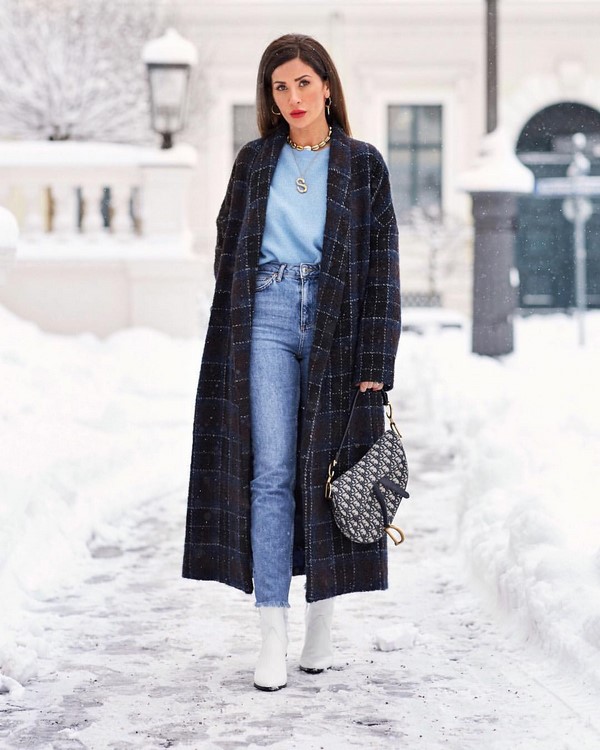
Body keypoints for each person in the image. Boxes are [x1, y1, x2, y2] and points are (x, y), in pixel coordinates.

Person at [182, 33, 401, 692]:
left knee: (328, 471)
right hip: (269, 315)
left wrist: (376, 359)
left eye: (304, 82)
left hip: (339, 322)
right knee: (272, 472)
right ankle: (271, 631)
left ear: (327, 86)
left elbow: (383, 267)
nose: (293, 97)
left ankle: (320, 623)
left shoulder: (363, 165)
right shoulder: (255, 161)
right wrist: (244, 305)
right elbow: (227, 244)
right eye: (280, 87)